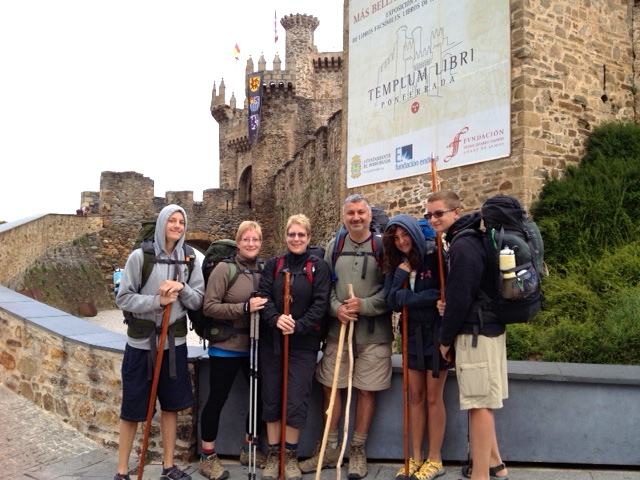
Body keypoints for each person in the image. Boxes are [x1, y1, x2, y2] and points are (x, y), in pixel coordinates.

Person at [300, 193, 393, 480]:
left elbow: (392, 291)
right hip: (337, 332)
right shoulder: (335, 246)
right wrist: (336, 308)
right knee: (330, 386)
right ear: (344, 216)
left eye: (361, 212)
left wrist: (364, 305)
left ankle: (357, 450)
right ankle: (330, 449)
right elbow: (324, 287)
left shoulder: (382, 246)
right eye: (351, 213)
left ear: (369, 215)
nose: (356, 217)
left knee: (366, 390)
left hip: (373, 335)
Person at [114, 204, 205, 480]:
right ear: (162, 223)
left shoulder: (189, 259)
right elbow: (123, 298)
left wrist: (182, 288)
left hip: (174, 346)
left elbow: (198, 300)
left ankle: (168, 466)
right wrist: (157, 301)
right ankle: (122, 471)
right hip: (141, 346)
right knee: (132, 410)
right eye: (172, 220)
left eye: (181, 221)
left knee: (171, 407)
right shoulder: (140, 257)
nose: (177, 226)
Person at [427, 191, 509, 480]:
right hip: (488, 329)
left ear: (456, 212)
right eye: (429, 215)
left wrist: (445, 340)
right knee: (482, 399)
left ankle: (480, 475)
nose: (433, 219)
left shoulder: (462, 245)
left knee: (478, 405)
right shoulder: (473, 238)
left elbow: (461, 298)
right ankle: (496, 465)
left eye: (439, 213)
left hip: (475, 332)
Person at [257, 214, 331, 480]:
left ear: (308, 237)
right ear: (286, 236)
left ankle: (289, 454)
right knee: (271, 398)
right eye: (292, 234)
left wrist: (298, 326)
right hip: (273, 343)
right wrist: (276, 319)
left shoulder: (318, 267)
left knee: (296, 400)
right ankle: (273, 453)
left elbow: (321, 304)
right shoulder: (274, 265)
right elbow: (264, 297)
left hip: (303, 345)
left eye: (301, 235)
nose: (296, 239)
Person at [199, 221, 268, 480]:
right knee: (217, 399)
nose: (251, 244)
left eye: (255, 239)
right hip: (226, 347)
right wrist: (243, 308)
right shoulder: (223, 269)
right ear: (238, 242)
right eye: (246, 239)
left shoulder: (264, 269)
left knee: (260, 398)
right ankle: (208, 456)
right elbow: (209, 307)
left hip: (255, 346)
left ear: (260, 243)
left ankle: (249, 448)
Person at [383, 214, 450, 480]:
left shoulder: (435, 256)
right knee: (415, 396)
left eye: (405, 235)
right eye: (396, 238)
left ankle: (435, 459)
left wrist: (408, 298)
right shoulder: (396, 263)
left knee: (433, 397)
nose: (401, 241)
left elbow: (441, 293)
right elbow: (391, 301)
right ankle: (416, 457)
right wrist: (401, 276)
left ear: (414, 233)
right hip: (411, 334)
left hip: (435, 333)